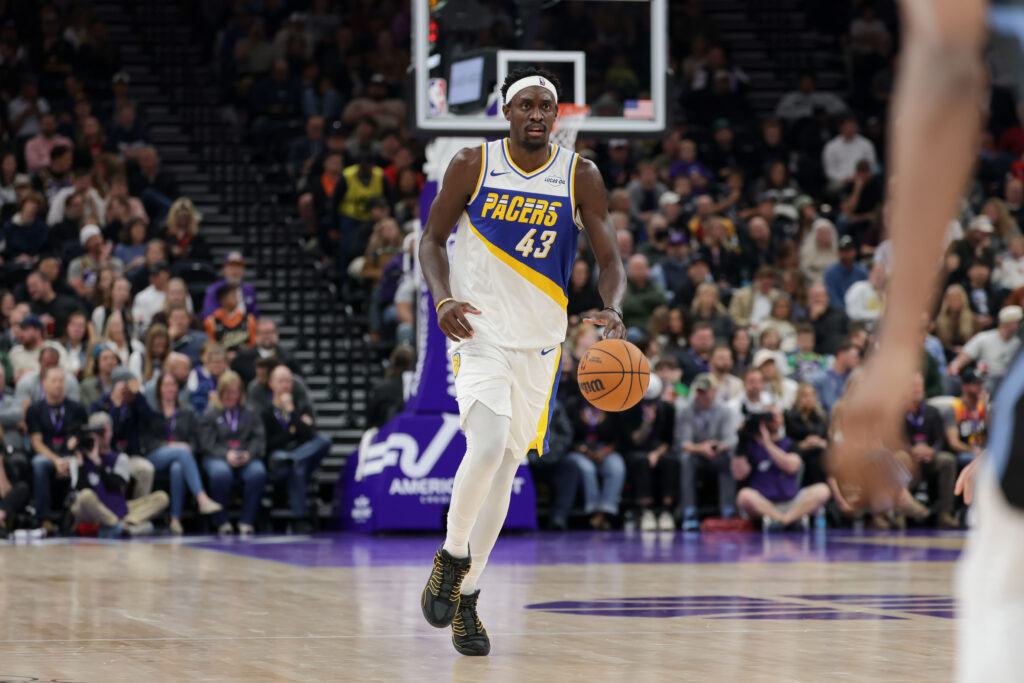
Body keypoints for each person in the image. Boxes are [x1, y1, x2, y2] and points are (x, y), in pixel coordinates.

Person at [416, 67, 627, 657]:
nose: (537, 115)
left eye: (546, 107)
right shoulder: (471, 164)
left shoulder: (578, 174)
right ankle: (451, 559)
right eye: (526, 105)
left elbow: (610, 256)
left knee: (507, 470)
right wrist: (443, 298)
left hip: (539, 344)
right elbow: (430, 240)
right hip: (479, 333)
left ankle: (468, 600)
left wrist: (612, 306)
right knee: (484, 448)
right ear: (507, 112)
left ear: (557, 117)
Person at [142, 371, 221, 535]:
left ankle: (175, 520)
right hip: (155, 456)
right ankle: (202, 498)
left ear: (178, 388)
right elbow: (148, 442)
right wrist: (173, 446)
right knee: (181, 453)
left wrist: (186, 447)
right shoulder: (151, 412)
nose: (170, 389)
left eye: (173, 385)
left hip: (182, 458)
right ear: (159, 389)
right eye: (166, 385)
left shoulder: (187, 411)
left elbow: (195, 440)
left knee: (178, 467)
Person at [68, 411, 169, 538]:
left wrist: (98, 463)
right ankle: (122, 526)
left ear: (111, 432)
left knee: (161, 497)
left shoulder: (120, 458)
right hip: (90, 510)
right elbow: (80, 489)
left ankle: (118, 525)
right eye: (98, 432)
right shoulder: (78, 459)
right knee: (85, 496)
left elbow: (115, 486)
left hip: (116, 507)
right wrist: (81, 463)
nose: (102, 436)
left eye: (104, 431)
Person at [733, 408, 832, 530]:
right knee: (744, 496)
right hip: (763, 503)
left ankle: (783, 521)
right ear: (762, 420)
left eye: (778, 416)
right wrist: (741, 441)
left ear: (783, 421)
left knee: (823, 490)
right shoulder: (750, 445)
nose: (774, 419)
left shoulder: (790, 444)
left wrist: (767, 444)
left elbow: (792, 467)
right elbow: (738, 474)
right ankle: (787, 520)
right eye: (771, 416)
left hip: (791, 501)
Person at [262, 365, 331, 532]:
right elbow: (269, 444)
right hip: (278, 460)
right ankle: (300, 519)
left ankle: (293, 459)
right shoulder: (266, 412)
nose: (285, 384)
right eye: (281, 381)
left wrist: (292, 412)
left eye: (288, 380)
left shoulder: (300, 406)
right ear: (271, 384)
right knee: (288, 462)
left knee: (324, 440)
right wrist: (293, 431)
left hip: (298, 457)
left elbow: (309, 435)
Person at [198, 371, 267, 536]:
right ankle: (221, 521)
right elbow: (206, 444)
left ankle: (247, 521)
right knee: (220, 473)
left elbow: (258, 438)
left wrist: (249, 454)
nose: (231, 396)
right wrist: (225, 455)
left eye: (235, 392)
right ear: (221, 392)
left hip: (244, 455)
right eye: (227, 392)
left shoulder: (250, 411)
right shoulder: (211, 413)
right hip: (217, 456)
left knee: (258, 472)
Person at [28, 367, 88, 533]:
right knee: (39, 463)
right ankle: (43, 518)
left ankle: (75, 516)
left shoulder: (77, 409)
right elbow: (36, 443)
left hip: (70, 455)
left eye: (61, 381)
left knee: (79, 463)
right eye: (54, 381)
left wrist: (70, 457)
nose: (58, 385)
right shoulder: (35, 410)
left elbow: (80, 438)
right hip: (47, 455)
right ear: (44, 384)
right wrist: (56, 461)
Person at [677, 373, 737, 530]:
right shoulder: (686, 411)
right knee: (686, 460)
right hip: (697, 454)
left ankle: (728, 509)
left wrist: (717, 446)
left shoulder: (725, 410)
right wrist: (701, 448)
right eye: (699, 391)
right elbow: (684, 443)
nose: (702, 395)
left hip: (718, 453)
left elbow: (730, 440)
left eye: (706, 391)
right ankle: (688, 510)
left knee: (728, 459)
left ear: (714, 392)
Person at [619, 376, 678, 531]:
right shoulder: (628, 408)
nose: (650, 406)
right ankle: (645, 510)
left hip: (658, 449)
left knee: (670, 461)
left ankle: (667, 510)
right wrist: (647, 422)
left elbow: (669, 440)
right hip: (636, 450)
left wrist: (657, 454)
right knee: (641, 461)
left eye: (653, 403)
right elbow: (634, 441)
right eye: (646, 403)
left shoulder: (667, 409)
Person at [949, 305, 1022, 391]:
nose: (1020, 325)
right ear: (1009, 323)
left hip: (1008, 381)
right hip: (986, 380)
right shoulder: (984, 338)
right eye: (1018, 322)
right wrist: (951, 372)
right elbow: (962, 359)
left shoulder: (1018, 343)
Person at [231, 318, 298, 385]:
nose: (267, 336)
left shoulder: (288, 357)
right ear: (257, 335)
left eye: (270, 332)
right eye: (264, 333)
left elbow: (297, 380)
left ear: (277, 334)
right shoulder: (243, 358)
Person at [945, 367, 988, 468]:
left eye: (981, 384)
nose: (980, 387)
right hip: (964, 452)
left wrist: (986, 410)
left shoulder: (983, 406)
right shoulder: (954, 408)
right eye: (976, 384)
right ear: (964, 386)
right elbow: (954, 443)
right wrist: (973, 450)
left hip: (982, 449)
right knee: (976, 460)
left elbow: (993, 434)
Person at [202, 251, 260, 319]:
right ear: (223, 269)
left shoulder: (249, 289)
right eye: (231, 266)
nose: (235, 270)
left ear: (243, 270)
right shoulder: (215, 289)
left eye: (238, 266)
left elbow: (255, 316)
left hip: (245, 327)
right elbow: (209, 316)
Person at [203, 283, 257, 356]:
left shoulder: (249, 319)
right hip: (221, 360)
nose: (236, 299)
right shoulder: (211, 322)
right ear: (222, 300)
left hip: (244, 359)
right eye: (232, 296)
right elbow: (210, 346)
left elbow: (253, 344)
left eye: (236, 296)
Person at [809, 342, 860, 416]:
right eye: (854, 356)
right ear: (841, 354)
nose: (857, 360)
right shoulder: (820, 378)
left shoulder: (855, 379)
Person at [823, 236, 868, 308]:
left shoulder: (862, 271)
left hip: (859, 311)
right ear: (838, 252)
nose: (846, 253)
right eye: (843, 250)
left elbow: (866, 294)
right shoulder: (830, 272)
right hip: (838, 312)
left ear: (855, 251)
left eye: (849, 250)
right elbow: (832, 298)